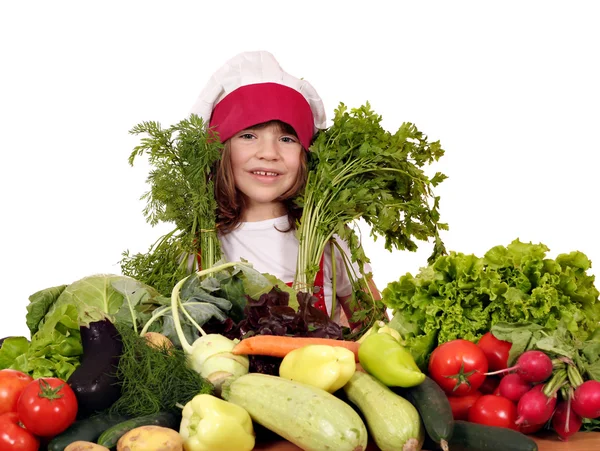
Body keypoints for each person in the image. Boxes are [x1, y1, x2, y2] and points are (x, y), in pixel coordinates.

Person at [189, 51, 381, 328]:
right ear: (220, 151)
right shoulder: (196, 248)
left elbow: (376, 333)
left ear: (306, 155)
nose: (269, 153)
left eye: (287, 138)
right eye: (248, 135)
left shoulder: (330, 239)